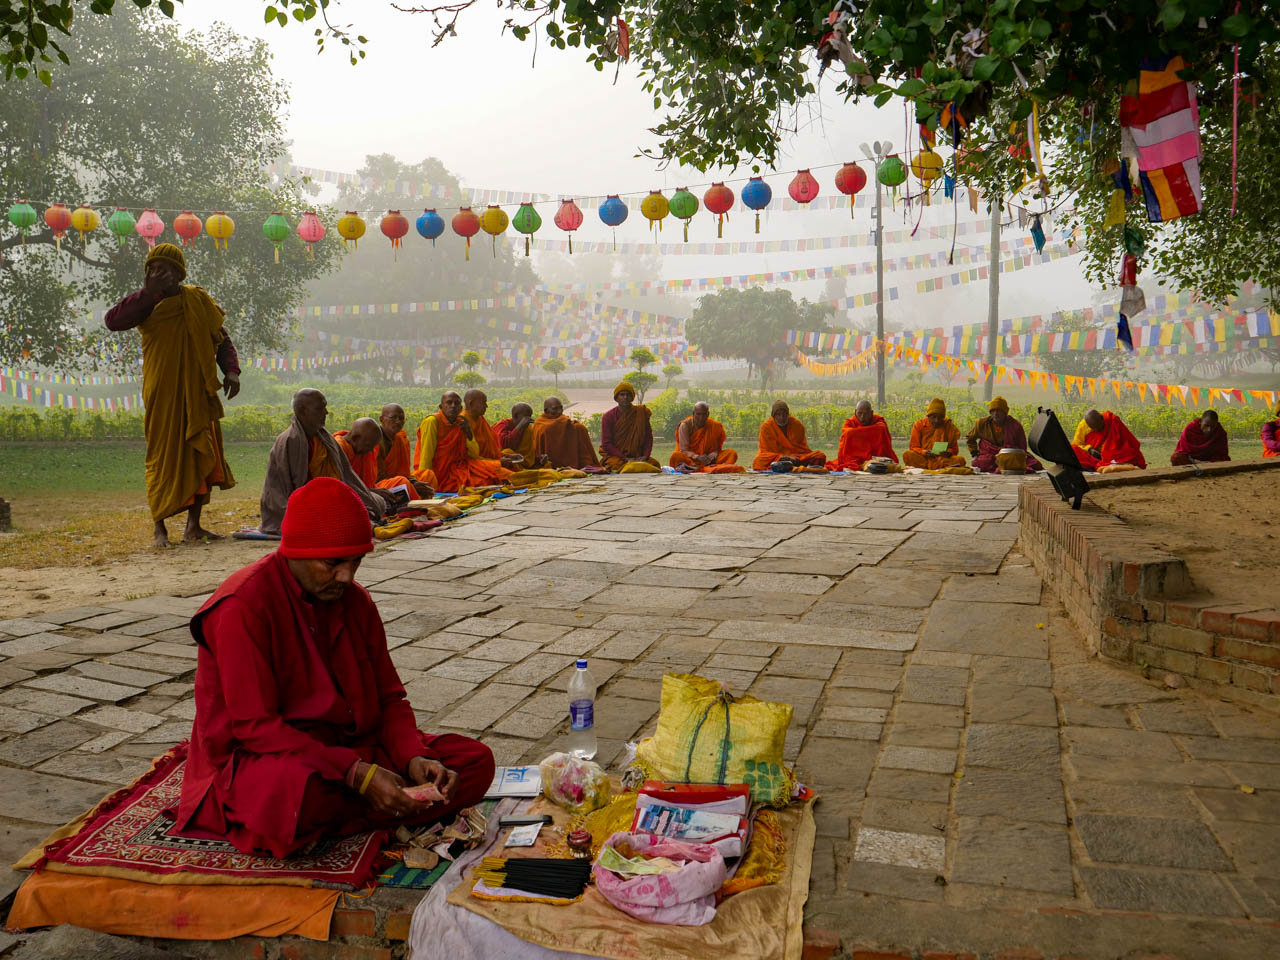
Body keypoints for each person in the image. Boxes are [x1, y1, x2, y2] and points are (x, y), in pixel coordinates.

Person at [176, 477, 495, 858]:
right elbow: (256, 728)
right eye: (333, 563)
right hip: (275, 758)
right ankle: (389, 807)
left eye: (356, 561)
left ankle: (379, 805)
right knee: (295, 796)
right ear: (294, 550)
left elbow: (390, 697)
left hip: (351, 747)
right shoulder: (241, 607)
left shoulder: (354, 601)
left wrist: (414, 758)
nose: (347, 576)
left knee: (474, 762)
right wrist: (358, 775)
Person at [103, 242, 239, 547]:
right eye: (151, 268)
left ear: (178, 273)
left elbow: (221, 338)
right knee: (161, 455)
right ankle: (159, 528)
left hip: (198, 390)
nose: (156, 272)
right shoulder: (145, 303)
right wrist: (149, 293)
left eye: (162, 268)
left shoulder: (196, 299)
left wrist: (231, 370)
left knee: (199, 450)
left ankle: (194, 525)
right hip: (162, 393)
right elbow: (113, 321)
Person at [260, 389, 388, 536]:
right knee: (336, 514)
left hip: (328, 499)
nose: (326, 412)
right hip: (302, 505)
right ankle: (367, 526)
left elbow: (346, 475)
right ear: (302, 411)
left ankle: (360, 521)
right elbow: (293, 490)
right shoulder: (292, 441)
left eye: (325, 407)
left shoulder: (325, 439)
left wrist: (360, 498)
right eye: (320, 409)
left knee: (377, 502)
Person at [413, 390, 514, 492]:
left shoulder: (461, 422)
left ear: (460, 408)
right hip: (438, 473)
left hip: (456, 471)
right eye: (449, 403)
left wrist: (468, 433)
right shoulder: (432, 422)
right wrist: (426, 479)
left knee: (490, 479)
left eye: (457, 403)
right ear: (441, 406)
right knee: (481, 483)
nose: (453, 406)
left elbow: (474, 454)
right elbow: (426, 455)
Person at [334, 417, 433, 498]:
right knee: (399, 487)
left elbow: (370, 483)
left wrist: (413, 482)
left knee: (420, 477)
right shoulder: (338, 449)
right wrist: (371, 492)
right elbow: (337, 487)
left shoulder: (367, 447)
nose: (370, 451)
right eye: (369, 446)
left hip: (369, 491)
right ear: (355, 438)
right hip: (349, 496)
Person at [966, 396, 1041, 474]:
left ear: (1005, 412)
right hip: (989, 456)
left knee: (1034, 464)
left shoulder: (1015, 425)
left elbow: (1022, 447)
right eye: (993, 411)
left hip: (1009, 456)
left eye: (999, 411)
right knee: (983, 463)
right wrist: (974, 453)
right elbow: (970, 438)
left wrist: (1017, 457)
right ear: (990, 412)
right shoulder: (981, 424)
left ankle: (1004, 464)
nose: (996, 414)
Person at [599, 381, 660, 472]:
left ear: (632, 397)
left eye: (628, 394)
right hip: (617, 457)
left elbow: (648, 438)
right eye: (622, 395)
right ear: (616, 398)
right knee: (614, 465)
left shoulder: (641, 413)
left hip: (638, 457)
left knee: (655, 464)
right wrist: (624, 458)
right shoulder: (608, 417)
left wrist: (645, 456)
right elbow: (607, 444)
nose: (625, 397)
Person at [752, 400, 827, 470]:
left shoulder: (797, 425)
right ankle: (789, 465)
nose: (782, 418)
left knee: (820, 456)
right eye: (778, 415)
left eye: (784, 414)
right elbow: (765, 451)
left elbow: (801, 448)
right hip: (777, 458)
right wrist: (785, 458)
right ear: (773, 415)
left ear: (788, 414)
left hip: (798, 457)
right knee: (759, 460)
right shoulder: (766, 427)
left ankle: (787, 465)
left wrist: (794, 458)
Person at [670, 402, 743, 473]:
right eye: (698, 414)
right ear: (693, 414)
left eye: (704, 414)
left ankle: (706, 468)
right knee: (676, 456)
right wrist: (697, 457)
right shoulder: (685, 425)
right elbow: (684, 450)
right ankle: (702, 468)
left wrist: (714, 453)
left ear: (708, 414)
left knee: (732, 453)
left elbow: (716, 448)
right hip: (691, 459)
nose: (701, 418)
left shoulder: (715, 426)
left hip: (709, 460)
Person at [532, 396, 600, 470]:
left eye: (561, 408)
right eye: (555, 408)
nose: (559, 411)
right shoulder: (540, 423)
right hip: (548, 462)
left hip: (568, 455)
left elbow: (568, 424)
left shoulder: (563, 419)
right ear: (546, 411)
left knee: (580, 428)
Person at [1071, 409, 1147, 472]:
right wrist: (1089, 449)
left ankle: (1110, 466)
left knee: (1130, 455)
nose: (1097, 430)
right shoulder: (1082, 427)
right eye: (1093, 428)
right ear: (1088, 425)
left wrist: (1108, 453)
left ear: (1102, 418)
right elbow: (1077, 445)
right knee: (1073, 450)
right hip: (1093, 456)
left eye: (1099, 426)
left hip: (1114, 455)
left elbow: (1127, 442)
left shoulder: (1112, 420)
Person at [832, 400, 897, 471]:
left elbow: (881, 428)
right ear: (855, 412)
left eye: (866, 414)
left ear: (871, 413)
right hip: (853, 460)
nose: (862, 417)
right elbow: (847, 433)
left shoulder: (878, 422)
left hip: (876, 460)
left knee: (880, 430)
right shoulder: (850, 422)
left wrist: (856, 433)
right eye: (859, 413)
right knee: (849, 433)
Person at [902, 398, 967, 469]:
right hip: (924, 458)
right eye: (934, 417)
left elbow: (954, 449)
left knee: (960, 460)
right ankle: (938, 468)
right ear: (928, 416)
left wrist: (948, 452)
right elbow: (913, 447)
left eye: (940, 418)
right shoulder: (919, 425)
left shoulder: (948, 426)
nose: (936, 421)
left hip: (942, 459)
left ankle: (930, 468)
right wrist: (924, 452)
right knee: (907, 454)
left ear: (943, 418)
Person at [493, 402, 548, 469]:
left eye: (530, 416)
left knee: (548, 465)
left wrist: (540, 459)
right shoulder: (502, 425)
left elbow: (529, 455)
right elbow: (505, 445)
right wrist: (520, 426)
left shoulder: (528, 429)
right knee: (508, 451)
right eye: (526, 417)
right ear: (515, 416)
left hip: (524, 463)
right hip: (508, 462)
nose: (528, 420)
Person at [376, 403, 416, 483]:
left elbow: (405, 473)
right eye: (393, 418)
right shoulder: (375, 441)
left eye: (401, 418)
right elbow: (378, 478)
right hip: (380, 487)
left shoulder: (401, 440)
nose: (398, 422)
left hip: (399, 482)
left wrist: (414, 482)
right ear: (381, 419)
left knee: (428, 476)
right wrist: (409, 484)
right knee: (403, 482)